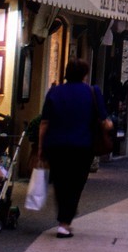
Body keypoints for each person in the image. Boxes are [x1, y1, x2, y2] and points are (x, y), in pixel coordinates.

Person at [36, 58, 110, 239]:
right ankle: (65, 222)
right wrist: (109, 126)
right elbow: (105, 122)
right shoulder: (93, 92)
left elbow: (44, 122)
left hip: (56, 145)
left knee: (60, 182)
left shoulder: (54, 92)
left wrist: (40, 147)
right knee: (76, 183)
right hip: (82, 146)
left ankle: (63, 218)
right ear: (85, 74)